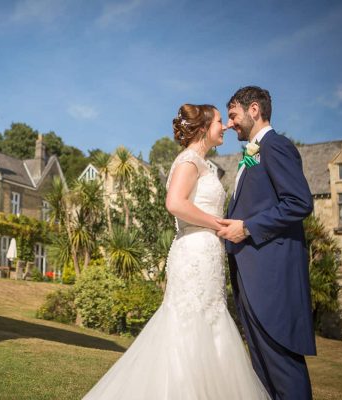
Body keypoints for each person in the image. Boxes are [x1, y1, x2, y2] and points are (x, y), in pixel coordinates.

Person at [82, 104, 270, 400]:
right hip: (194, 252)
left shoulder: (204, 164)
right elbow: (175, 204)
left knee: (210, 322)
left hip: (206, 254)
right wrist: (217, 223)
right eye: (220, 121)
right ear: (204, 126)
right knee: (189, 324)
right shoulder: (189, 161)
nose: (225, 127)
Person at [217, 86, 315, 399]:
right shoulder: (251, 154)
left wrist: (247, 228)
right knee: (263, 373)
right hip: (250, 277)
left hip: (272, 281)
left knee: (283, 370)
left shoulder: (276, 146)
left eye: (233, 115)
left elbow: (299, 202)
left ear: (254, 110)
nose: (230, 124)